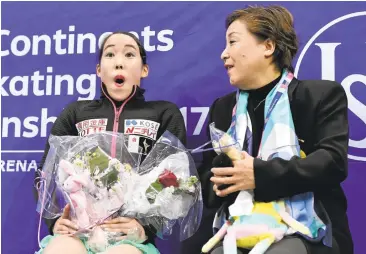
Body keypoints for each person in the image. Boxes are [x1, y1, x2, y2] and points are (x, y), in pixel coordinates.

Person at [198, 5, 353, 254]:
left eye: (233, 42)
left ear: (268, 47)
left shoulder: (318, 95)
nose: (224, 54)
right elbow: (208, 184)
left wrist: (258, 174)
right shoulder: (224, 108)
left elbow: (332, 162)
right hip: (239, 226)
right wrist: (220, 179)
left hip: (307, 229)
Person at [34, 31, 186, 254]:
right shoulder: (75, 113)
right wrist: (55, 220)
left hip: (129, 236)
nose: (119, 62)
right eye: (110, 54)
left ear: (144, 70)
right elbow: (45, 173)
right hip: (79, 229)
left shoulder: (164, 113)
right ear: (98, 70)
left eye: (129, 54)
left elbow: (174, 179)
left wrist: (145, 227)